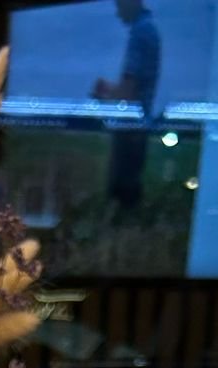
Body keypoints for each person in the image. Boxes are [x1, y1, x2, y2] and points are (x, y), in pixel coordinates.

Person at [92, 0, 161, 213]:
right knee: (129, 193)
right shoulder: (148, 30)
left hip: (130, 129)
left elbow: (129, 90)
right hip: (138, 127)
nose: (117, 13)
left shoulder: (140, 33)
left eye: (119, 6)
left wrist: (104, 93)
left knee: (122, 195)